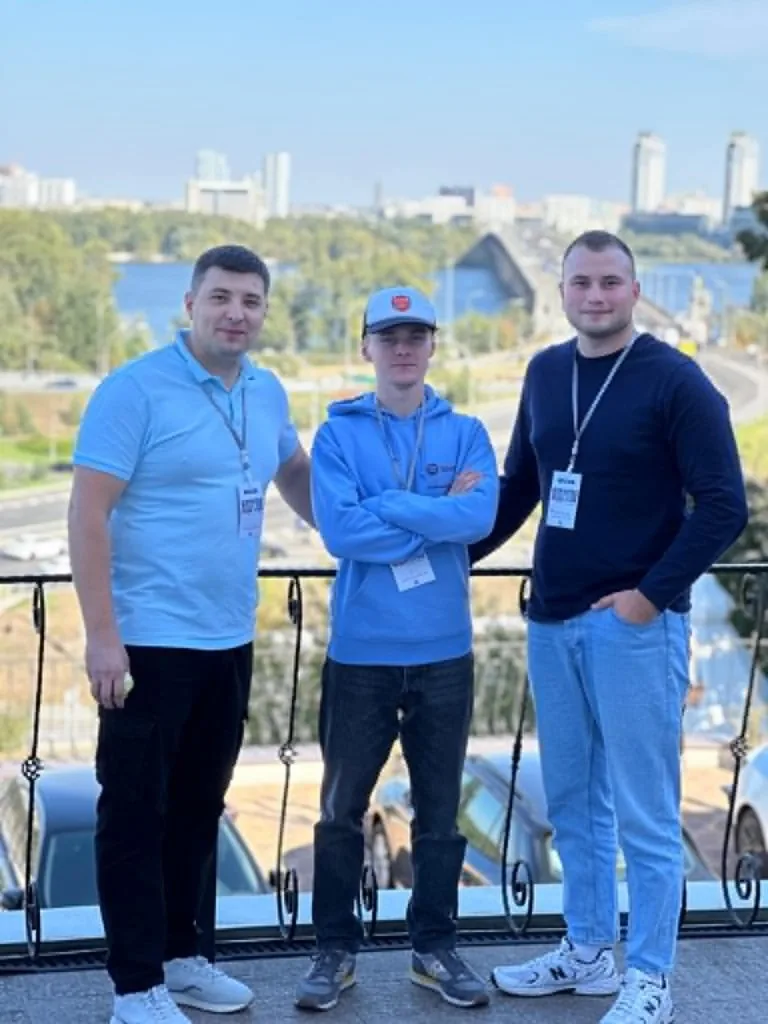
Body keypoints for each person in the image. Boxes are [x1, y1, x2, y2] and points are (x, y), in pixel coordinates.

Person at [470, 231, 747, 1024]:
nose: (595, 296)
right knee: (574, 803)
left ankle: (651, 976)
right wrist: (455, 555)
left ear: (634, 289)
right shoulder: (545, 371)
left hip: (633, 629)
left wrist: (648, 598)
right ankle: (588, 953)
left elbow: (725, 505)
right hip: (552, 622)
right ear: (561, 290)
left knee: (645, 811)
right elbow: (522, 485)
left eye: (610, 283)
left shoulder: (676, 380)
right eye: (581, 283)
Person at [68, 244, 313, 1024]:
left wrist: (382, 531)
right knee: (134, 812)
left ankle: (181, 957)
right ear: (189, 303)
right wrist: (103, 636)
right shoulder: (134, 390)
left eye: (250, 300)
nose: (236, 313)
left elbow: (298, 479)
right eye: (221, 298)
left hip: (227, 638)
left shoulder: (267, 391)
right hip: (147, 641)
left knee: (198, 807)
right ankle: (135, 985)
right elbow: (87, 514)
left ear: (264, 311)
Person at [294, 286, 499, 1012]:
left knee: (439, 813)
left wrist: (387, 505)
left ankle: (434, 950)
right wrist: (435, 518)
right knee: (340, 809)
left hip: (445, 651)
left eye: (415, 334)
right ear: (366, 348)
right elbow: (341, 533)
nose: (403, 347)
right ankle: (334, 952)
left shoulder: (467, 430)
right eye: (389, 336)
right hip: (362, 652)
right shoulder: (340, 433)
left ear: (432, 345)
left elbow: (480, 517)